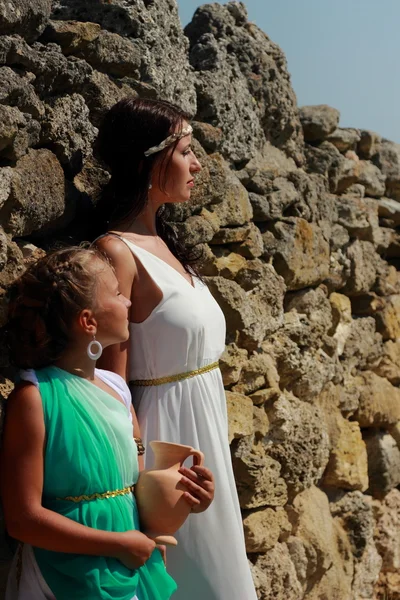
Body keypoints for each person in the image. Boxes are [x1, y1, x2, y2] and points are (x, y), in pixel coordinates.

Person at [93, 97, 258, 600]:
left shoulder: (166, 243)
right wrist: (145, 488)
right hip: (167, 452)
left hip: (205, 437)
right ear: (150, 160)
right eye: (186, 151)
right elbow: (111, 384)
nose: (198, 163)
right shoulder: (116, 252)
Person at [1, 247, 212, 600]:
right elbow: (23, 518)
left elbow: (134, 488)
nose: (127, 302)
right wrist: (116, 543)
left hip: (126, 564)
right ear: (88, 322)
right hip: (64, 572)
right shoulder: (34, 399)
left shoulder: (117, 389)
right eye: (116, 294)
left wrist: (186, 498)